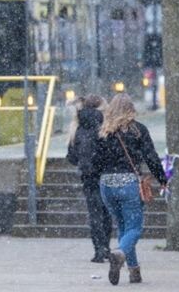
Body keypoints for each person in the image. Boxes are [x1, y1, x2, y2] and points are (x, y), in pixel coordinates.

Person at [94, 93, 167, 285]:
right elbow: (151, 156)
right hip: (128, 183)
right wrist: (162, 178)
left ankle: (134, 272)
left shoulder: (103, 131)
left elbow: (95, 161)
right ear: (131, 109)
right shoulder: (138, 130)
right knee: (135, 228)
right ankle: (119, 254)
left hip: (106, 185)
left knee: (123, 227)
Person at [66, 94, 113, 263]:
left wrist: (84, 161)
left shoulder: (77, 127)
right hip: (106, 174)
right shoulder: (106, 125)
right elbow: (112, 150)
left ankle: (98, 250)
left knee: (94, 213)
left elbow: (71, 157)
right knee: (107, 212)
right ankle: (106, 247)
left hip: (88, 176)